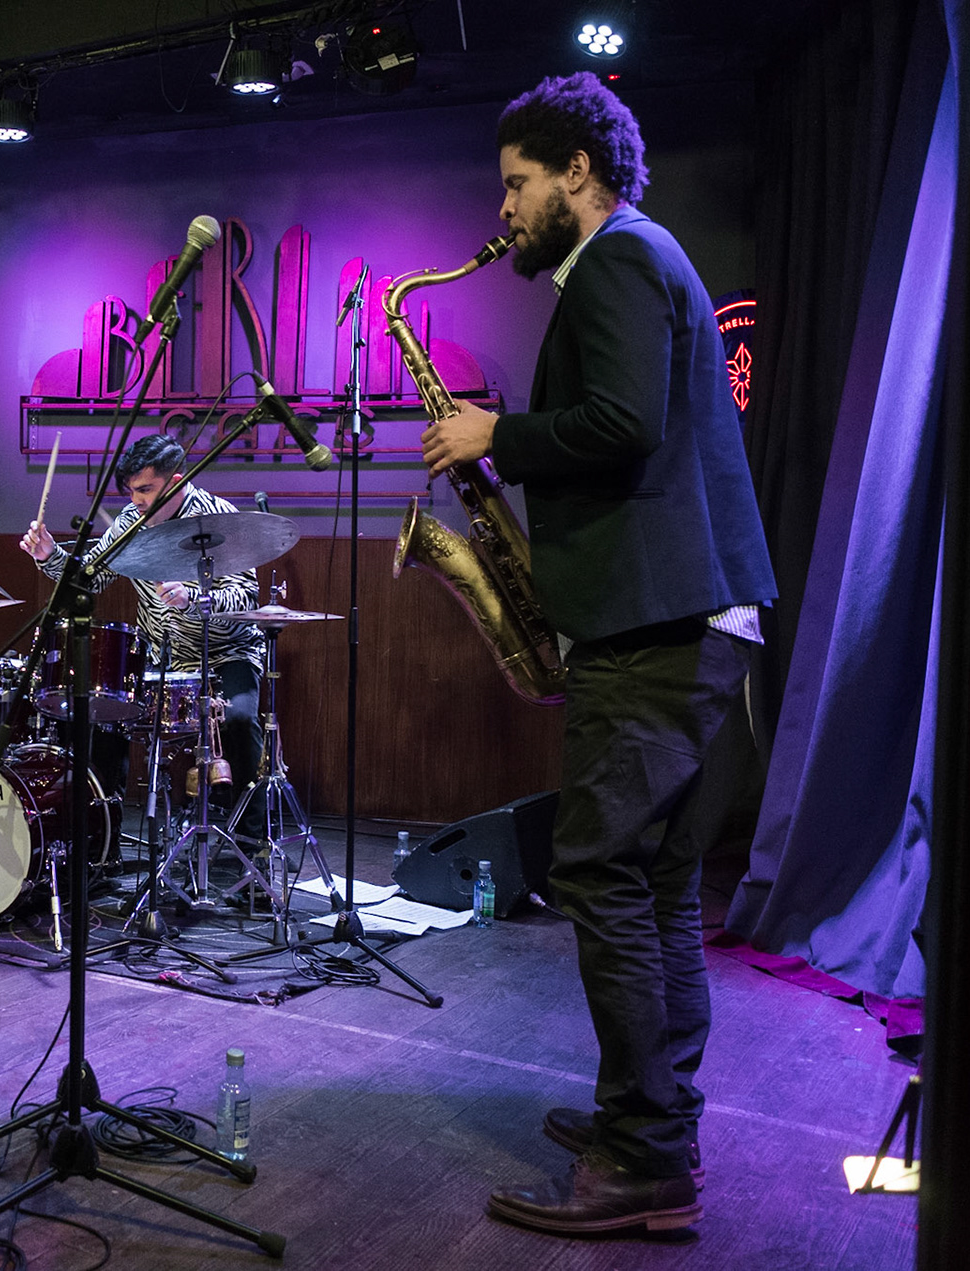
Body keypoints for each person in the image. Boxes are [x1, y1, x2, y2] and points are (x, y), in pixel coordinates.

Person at [422, 74, 777, 1235]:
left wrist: (495, 435)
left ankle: (640, 1160)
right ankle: (655, 1119)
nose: (508, 207)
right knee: (657, 881)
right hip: (691, 618)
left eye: (519, 183)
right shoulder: (644, 258)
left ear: (579, 170)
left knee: (601, 876)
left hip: (654, 624)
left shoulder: (618, 259)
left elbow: (620, 423)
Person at [19, 434, 264, 821]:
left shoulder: (221, 518)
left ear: (177, 482)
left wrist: (196, 599)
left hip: (227, 652)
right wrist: (50, 556)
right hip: (161, 655)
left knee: (238, 719)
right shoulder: (130, 522)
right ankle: (102, 836)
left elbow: (246, 598)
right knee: (103, 712)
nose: (136, 500)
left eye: (146, 489)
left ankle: (251, 836)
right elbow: (91, 578)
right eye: (132, 490)